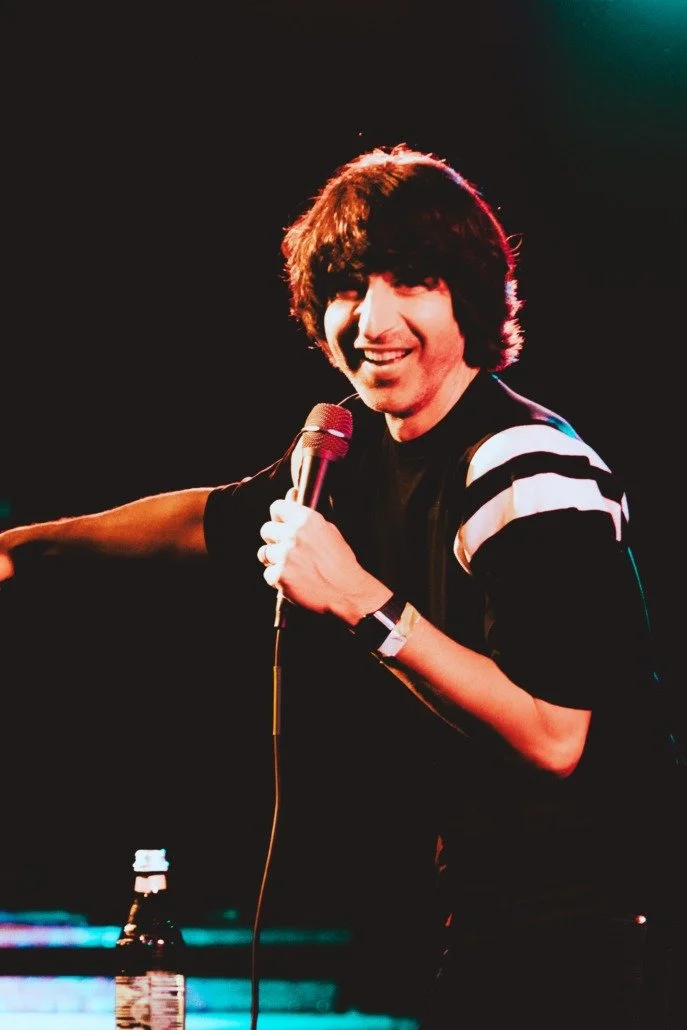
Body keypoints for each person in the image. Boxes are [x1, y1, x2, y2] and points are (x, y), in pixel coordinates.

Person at [0, 143, 684, 1029]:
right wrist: (22, 549)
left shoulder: (527, 467)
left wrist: (362, 601)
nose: (371, 320)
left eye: (410, 283)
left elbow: (556, 735)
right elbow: (205, 521)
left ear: (468, 299)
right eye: (347, 289)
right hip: (481, 914)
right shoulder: (352, 447)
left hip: (607, 927)